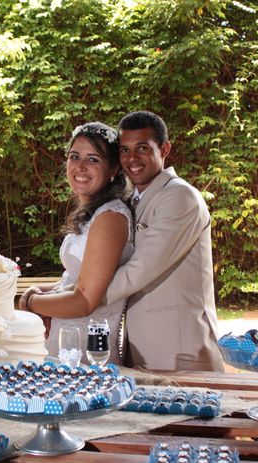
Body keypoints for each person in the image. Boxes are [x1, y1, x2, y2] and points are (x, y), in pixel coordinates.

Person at [105, 111, 224, 372]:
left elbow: (139, 271)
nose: (132, 158)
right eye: (125, 150)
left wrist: (81, 300)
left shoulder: (180, 197)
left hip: (181, 348)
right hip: (139, 346)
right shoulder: (130, 199)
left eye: (142, 148)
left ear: (165, 149)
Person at [19, 122, 133, 365]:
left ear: (113, 168)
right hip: (64, 341)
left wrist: (31, 303)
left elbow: (84, 300)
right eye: (74, 156)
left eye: (93, 159)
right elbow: (76, 280)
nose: (80, 166)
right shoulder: (94, 213)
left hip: (86, 353)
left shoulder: (111, 218)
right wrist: (36, 291)